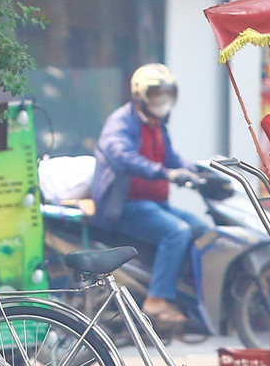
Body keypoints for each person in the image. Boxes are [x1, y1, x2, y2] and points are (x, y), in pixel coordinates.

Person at [90, 63, 210, 331]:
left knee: (204, 230)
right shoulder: (120, 123)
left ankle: (185, 295)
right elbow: (123, 157)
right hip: (126, 206)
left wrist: (198, 172)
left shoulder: (157, 125)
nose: (162, 100)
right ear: (140, 94)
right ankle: (157, 299)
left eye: (167, 93)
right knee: (177, 232)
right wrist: (165, 174)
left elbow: (172, 158)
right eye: (156, 93)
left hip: (156, 204)